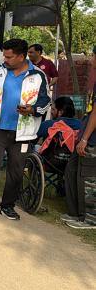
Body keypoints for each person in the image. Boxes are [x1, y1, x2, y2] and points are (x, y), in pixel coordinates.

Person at [0, 38, 51, 220]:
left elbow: (45, 101)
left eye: (9, 57)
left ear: (21, 57)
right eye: (4, 56)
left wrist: (33, 109)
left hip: (23, 132)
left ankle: (8, 205)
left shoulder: (38, 75)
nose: (5, 60)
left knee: (16, 171)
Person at [63, 52, 96, 229]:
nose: (91, 60)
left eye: (93, 56)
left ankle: (90, 219)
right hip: (85, 135)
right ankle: (75, 213)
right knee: (72, 170)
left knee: (88, 178)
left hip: (91, 140)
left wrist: (84, 138)